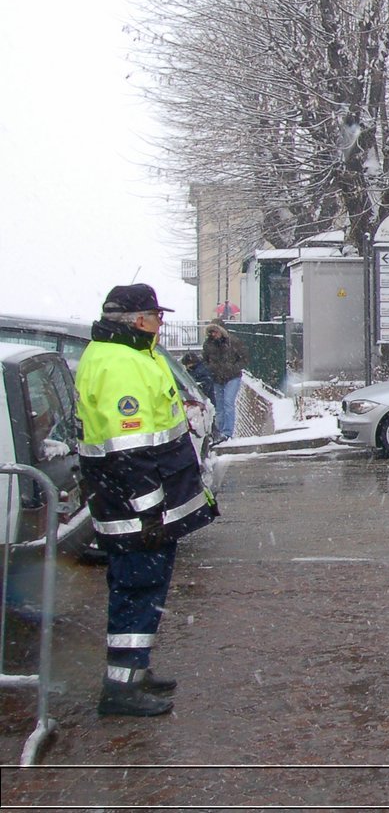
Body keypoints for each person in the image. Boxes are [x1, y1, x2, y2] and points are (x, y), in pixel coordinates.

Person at [75, 284, 218, 716]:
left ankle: (134, 672)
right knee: (137, 588)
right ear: (137, 319)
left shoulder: (133, 354)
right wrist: (149, 508)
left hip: (138, 507)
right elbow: (128, 450)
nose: (160, 322)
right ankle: (120, 688)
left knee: (143, 589)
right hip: (136, 510)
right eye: (155, 316)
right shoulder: (120, 364)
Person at [202, 318, 249, 442]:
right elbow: (205, 360)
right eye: (211, 332)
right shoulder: (208, 344)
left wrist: (233, 368)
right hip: (217, 378)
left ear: (221, 331)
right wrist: (211, 369)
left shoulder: (233, 342)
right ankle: (219, 431)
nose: (213, 334)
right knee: (219, 406)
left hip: (232, 377)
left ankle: (227, 432)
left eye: (215, 331)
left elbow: (244, 358)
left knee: (228, 403)